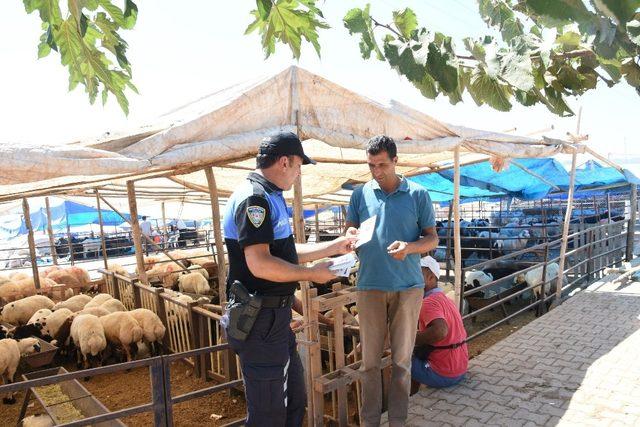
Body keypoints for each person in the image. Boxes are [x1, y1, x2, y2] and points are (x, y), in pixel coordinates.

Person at [222, 131, 356, 427]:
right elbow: (259, 263)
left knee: (294, 403)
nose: (298, 174)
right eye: (298, 166)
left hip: (275, 318)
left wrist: (334, 246)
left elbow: (284, 250)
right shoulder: (254, 199)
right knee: (269, 415)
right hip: (260, 318)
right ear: (284, 162)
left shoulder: (270, 195)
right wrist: (312, 274)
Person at [345, 135, 438, 427]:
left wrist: (409, 248)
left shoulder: (418, 194)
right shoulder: (360, 194)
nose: (377, 171)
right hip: (369, 285)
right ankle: (370, 422)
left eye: (382, 164)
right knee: (369, 363)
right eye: (371, 165)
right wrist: (350, 236)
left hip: (408, 288)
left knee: (401, 362)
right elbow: (350, 227)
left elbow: (432, 238)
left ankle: (398, 421)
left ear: (396, 161)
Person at [411, 256, 468, 392]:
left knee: (398, 358)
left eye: (416, 274)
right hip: (460, 368)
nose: (412, 278)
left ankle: (409, 397)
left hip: (444, 373)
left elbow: (439, 331)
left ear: (431, 277)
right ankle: (414, 392)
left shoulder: (428, 302)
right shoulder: (445, 299)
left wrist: (409, 340)